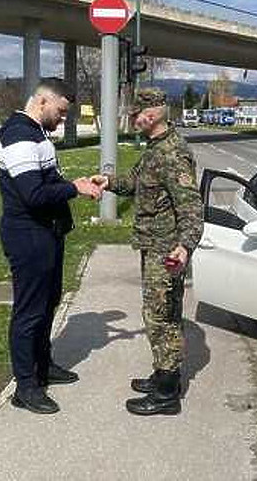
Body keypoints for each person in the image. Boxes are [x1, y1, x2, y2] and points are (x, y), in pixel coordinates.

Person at [93, 88, 203, 416]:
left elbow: (192, 206)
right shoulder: (155, 149)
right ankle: (162, 374)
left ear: (151, 115)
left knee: (161, 317)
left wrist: (184, 246)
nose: (132, 119)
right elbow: (134, 182)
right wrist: (108, 182)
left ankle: (167, 394)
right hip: (153, 247)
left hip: (166, 251)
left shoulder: (172, 153)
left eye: (136, 115)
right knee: (159, 313)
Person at [0, 78, 101, 415]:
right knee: (29, 311)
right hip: (28, 236)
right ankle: (25, 387)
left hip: (46, 233)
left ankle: (43, 366)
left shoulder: (36, 133)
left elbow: (47, 179)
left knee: (48, 303)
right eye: (61, 111)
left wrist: (77, 183)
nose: (64, 119)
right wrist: (75, 189)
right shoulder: (18, 135)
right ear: (43, 101)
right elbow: (33, 194)